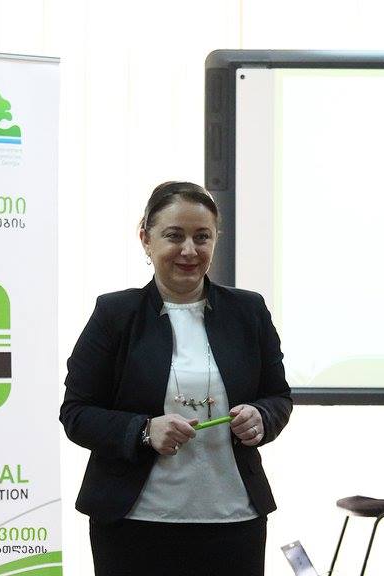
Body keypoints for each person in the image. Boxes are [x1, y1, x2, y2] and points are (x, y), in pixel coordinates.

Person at [60, 181, 292, 576]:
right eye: (174, 236)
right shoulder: (115, 314)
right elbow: (76, 414)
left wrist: (262, 417)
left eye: (202, 237)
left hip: (234, 520)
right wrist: (144, 430)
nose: (189, 250)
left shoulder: (248, 311)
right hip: (134, 524)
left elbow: (278, 397)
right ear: (145, 239)